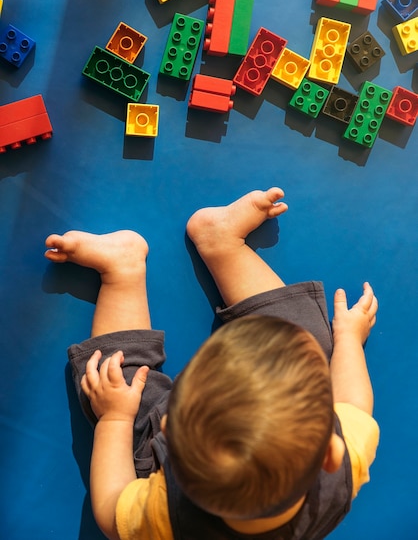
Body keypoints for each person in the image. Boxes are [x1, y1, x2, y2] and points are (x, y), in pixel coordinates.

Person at [44, 186, 379, 540]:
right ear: (331, 451)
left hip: (168, 444)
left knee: (115, 386)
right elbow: (354, 404)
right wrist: (348, 341)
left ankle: (121, 270)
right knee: (313, 347)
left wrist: (114, 418)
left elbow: (112, 514)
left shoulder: (166, 515)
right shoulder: (337, 476)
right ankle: (220, 241)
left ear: (170, 432)